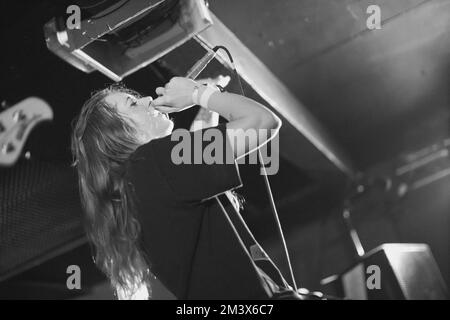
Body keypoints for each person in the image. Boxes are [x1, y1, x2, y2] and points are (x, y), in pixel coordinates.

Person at [71, 76, 290, 299]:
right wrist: (199, 93)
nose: (147, 99)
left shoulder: (137, 186)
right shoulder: (153, 161)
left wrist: (204, 98)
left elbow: (196, 160)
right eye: (133, 104)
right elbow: (262, 122)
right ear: (118, 134)